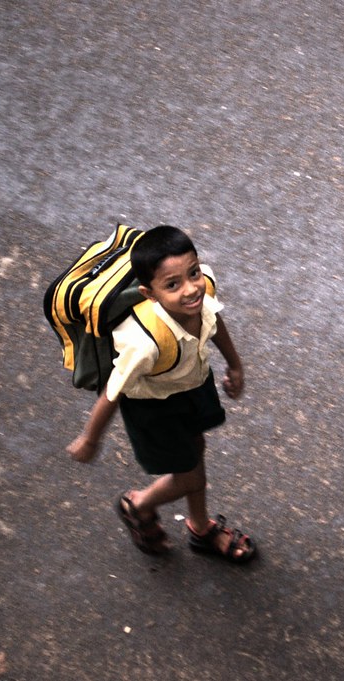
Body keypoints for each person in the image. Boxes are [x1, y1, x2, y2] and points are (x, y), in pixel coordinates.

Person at [66, 225, 256, 563]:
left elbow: (213, 320)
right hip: (153, 410)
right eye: (173, 284)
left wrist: (235, 364)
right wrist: (90, 439)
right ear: (149, 293)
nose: (191, 289)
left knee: (195, 450)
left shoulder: (202, 291)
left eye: (193, 272)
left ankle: (199, 527)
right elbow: (114, 391)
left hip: (190, 387)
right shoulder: (143, 342)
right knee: (190, 474)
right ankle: (138, 505)